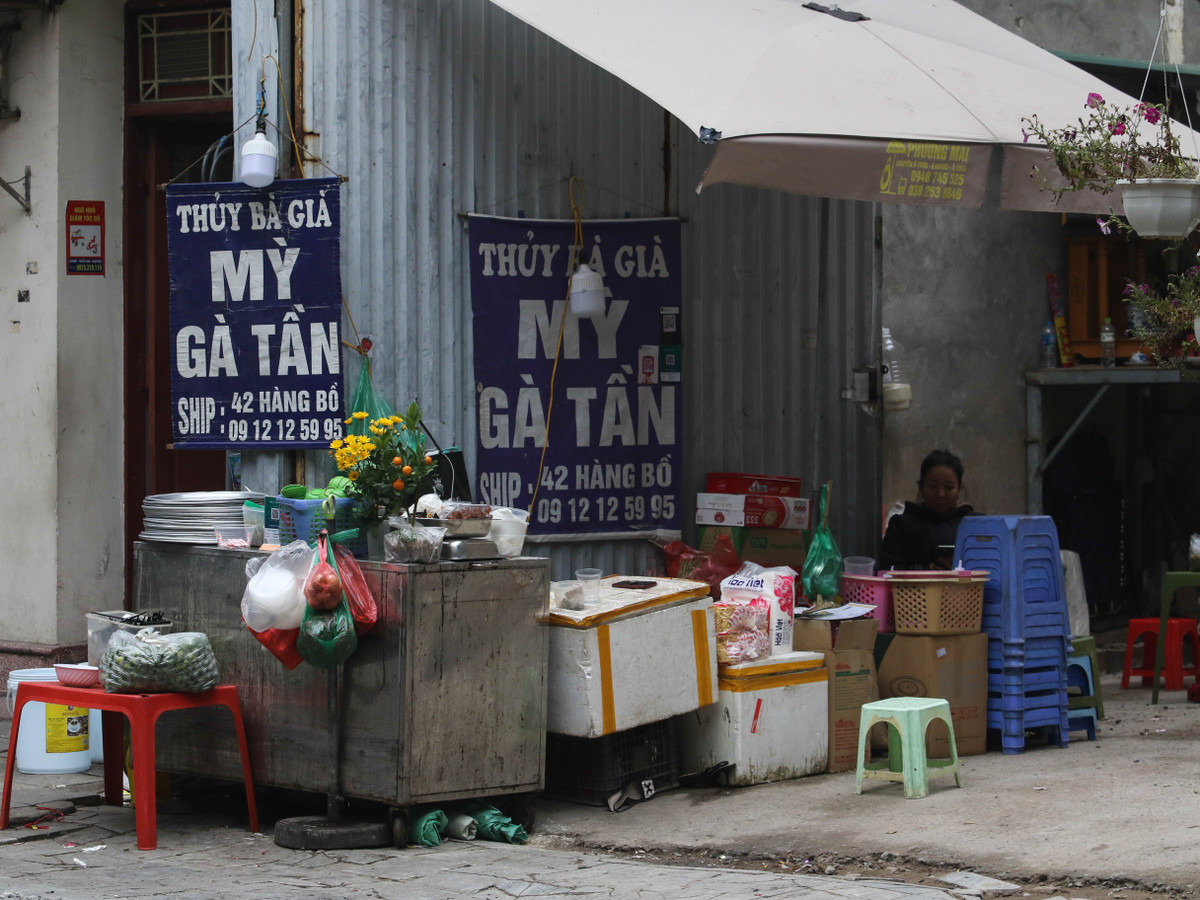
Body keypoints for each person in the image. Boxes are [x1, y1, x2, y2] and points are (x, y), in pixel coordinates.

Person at [878, 449, 976, 571]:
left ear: (959, 489)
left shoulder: (974, 525)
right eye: (932, 486)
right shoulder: (901, 525)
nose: (941, 494)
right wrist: (926, 571)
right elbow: (887, 570)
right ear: (921, 487)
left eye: (949, 487)